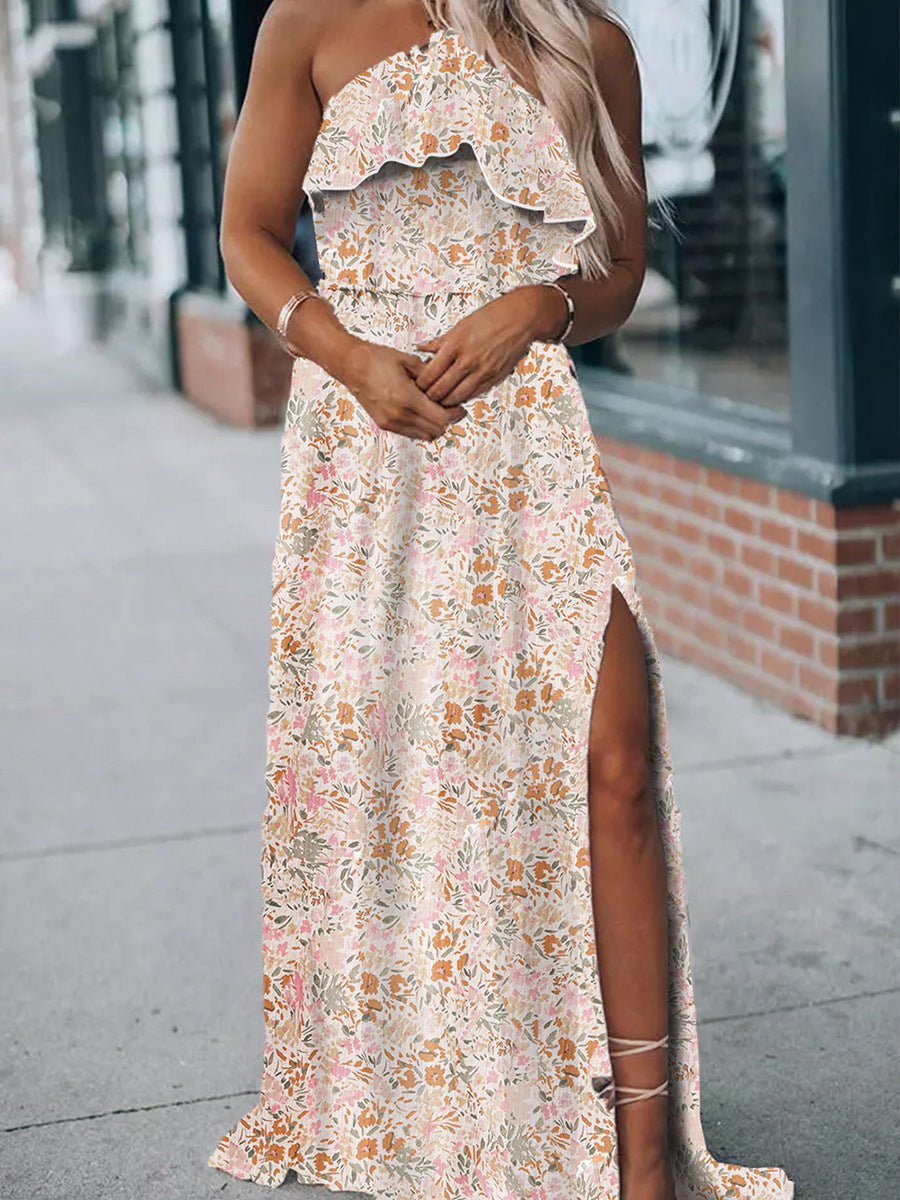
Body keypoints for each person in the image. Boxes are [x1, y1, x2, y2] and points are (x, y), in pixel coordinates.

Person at [207, 3, 795, 1199]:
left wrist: (547, 306)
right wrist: (341, 349)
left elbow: (621, 272)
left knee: (615, 763)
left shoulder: (587, 42)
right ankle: (447, 1098)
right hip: (369, 451)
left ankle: (640, 1167)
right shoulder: (309, 20)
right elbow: (246, 234)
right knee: (418, 785)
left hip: (531, 451)